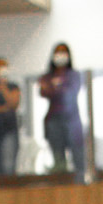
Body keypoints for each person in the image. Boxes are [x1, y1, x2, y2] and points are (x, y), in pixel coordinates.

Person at [36, 43, 85, 177]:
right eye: (58, 52)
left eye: (63, 52)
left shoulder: (74, 75)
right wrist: (57, 88)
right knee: (59, 159)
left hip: (72, 120)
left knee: (78, 157)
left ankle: (80, 182)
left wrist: (54, 88)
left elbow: (69, 92)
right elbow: (43, 91)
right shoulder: (47, 76)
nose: (60, 55)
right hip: (53, 119)